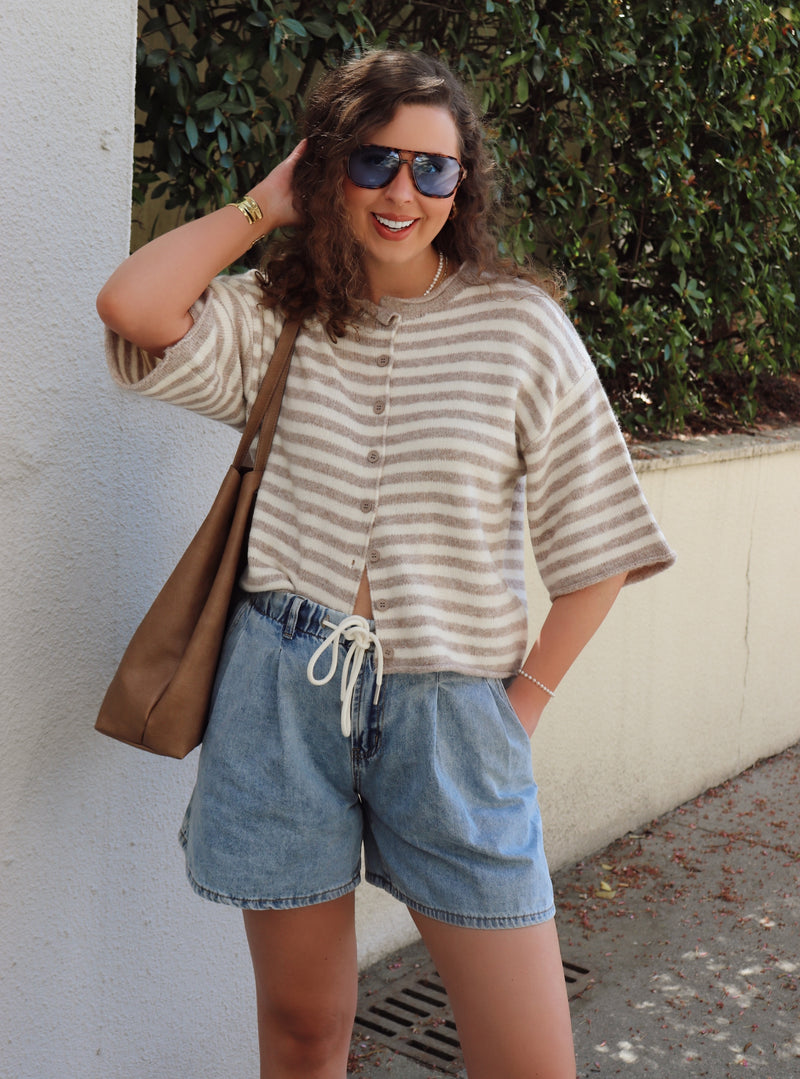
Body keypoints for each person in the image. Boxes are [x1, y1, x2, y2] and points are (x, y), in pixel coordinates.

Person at [98, 48, 675, 1079]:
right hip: (280, 689)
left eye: (432, 169)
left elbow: (596, 547)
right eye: (370, 163)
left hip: (454, 712)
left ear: (464, 184)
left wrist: (520, 706)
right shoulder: (281, 317)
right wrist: (262, 205)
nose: (402, 191)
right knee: (304, 1032)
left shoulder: (519, 328)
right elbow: (135, 306)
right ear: (330, 171)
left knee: (528, 1060)